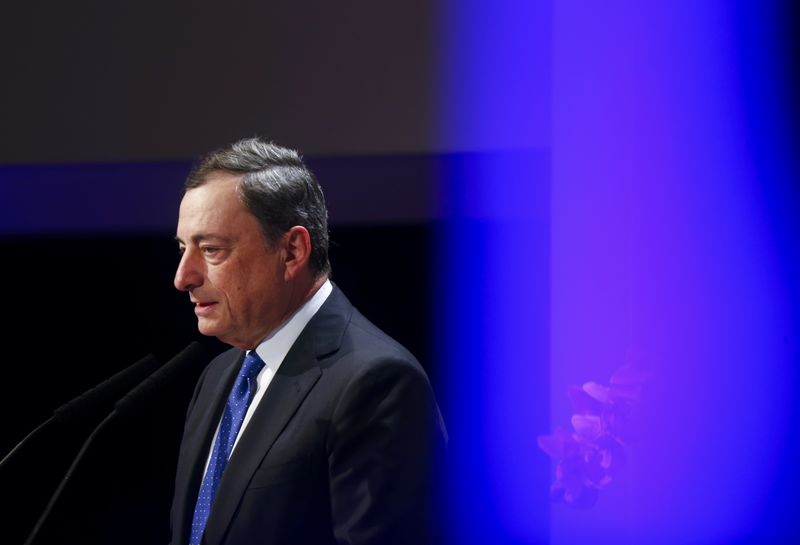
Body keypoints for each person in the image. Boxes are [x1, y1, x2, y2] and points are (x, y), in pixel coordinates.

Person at [168, 138, 446, 545]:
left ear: (292, 251)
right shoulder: (220, 376)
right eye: (181, 248)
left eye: (211, 250)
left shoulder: (377, 382)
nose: (182, 277)